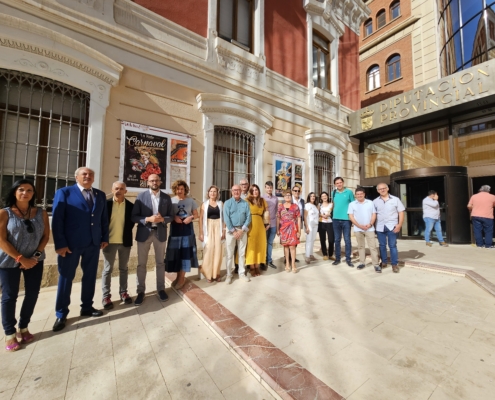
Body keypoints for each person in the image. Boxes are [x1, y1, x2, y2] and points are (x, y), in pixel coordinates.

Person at [52, 167, 109, 332]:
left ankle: (87, 307)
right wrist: (60, 244)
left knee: (90, 277)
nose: (88, 176)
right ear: (76, 177)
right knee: (66, 278)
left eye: (91, 174)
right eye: (84, 174)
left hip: (93, 243)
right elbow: (57, 220)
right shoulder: (65, 193)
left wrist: (104, 237)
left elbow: (103, 219)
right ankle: (61, 313)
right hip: (70, 245)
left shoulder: (100, 195)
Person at [0, 180, 49, 351]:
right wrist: (21, 259)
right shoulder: (4, 213)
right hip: (9, 261)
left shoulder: (40, 212)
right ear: (14, 192)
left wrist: (34, 257)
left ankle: (24, 327)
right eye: (21, 190)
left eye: (29, 190)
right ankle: (9, 333)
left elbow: (45, 236)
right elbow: (1, 240)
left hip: (35, 260)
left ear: (33, 194)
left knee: (32, 293)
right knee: (9, 296)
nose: (25, 193)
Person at [132, 174, 173, 306]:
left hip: (160, 233)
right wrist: (147, 219)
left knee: (160, 263)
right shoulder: (141, 197)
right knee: (141, 264)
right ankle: (140, 291)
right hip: (144, 233)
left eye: (156, 180)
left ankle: (161, 289)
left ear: (160, 182)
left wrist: (163, 219)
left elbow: (171, 216)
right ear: (147, 182)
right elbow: (134, 216)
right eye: (151, 180)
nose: (154, 182)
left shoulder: (166, 197)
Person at [101, 181, 135, 310]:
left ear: (125, 191)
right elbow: (101, 223)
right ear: (112, 189)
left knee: (124, 268)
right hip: (108, 242)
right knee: (107, 269)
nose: (118, 191)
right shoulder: (106, 204)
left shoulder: (131, 206)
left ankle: (123, 292)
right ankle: (106, 296)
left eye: (121, 189)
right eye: (116, 188)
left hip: (125, 242)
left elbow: (131, 223)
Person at [165, 180, 199, 289]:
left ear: (185, 190)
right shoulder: (171, 201)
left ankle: (181, 278)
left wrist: (190, 217)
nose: (180, 191)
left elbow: (196, 214)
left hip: (187, 230)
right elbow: (168, 214)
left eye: (182, 189)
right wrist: (174, 217)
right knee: (176, 254)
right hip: (175, 230)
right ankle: (178, 276)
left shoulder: (191, 201)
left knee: (185, 253)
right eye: (178, 189)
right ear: (175, 190)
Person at [373, 183, 405, 273]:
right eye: (380, 189)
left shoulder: (395, 200)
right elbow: (373, 214)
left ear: (387, 189)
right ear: (377, 191)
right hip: (380, 227)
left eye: (384, 188)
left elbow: (401, 212)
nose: (382, 190)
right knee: (382, 246)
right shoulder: (375, 201)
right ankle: (384, 262)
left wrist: (399, 225)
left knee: (392, 246)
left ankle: (394, 264)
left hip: (392, 226)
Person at [223, 185, 252, 284]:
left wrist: (241, 230)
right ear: (231, 191)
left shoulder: (245, 203)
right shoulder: (227, 203)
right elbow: (226, 218)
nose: (236, 192)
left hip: (242, 230)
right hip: (231, 231)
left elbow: (248, 217)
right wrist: (234, 231)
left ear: (241, 191)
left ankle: (242, 273)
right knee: (229, 254)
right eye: (234, 190)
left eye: (238, 190)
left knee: (242, 253)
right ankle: (228, 275)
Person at [348, 187, 380, 272]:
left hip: (370, 228)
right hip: (358, 229)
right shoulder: (352, 204)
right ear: (355, 195)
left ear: (364, 194)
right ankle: (362, 262)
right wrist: (359, 225)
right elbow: (351, 216)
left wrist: (370, 224)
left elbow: (374, 214)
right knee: (361, 246)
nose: (359, 195)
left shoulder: (370, 203)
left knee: (372, 247)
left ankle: (376, 264)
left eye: (361, 194)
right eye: (357, 194)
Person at [199, 185, 224, 282]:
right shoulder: (204, 204)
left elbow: (224, 218)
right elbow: (200, 219)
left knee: (218, 250)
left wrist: (224, 230)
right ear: (208, 193)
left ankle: (216, 273)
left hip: (218, 227)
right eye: (211, 191)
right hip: (208, 227)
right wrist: (201, 232)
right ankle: (208, 273)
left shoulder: (221, 203)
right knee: (209, 250)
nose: (212, 193)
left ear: (217, 193)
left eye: (214, 191)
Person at [245, 184, 268, 277]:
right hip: (250, 224)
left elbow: (266, 212)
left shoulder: (262, 200)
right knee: (251, 245)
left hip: (260, 224)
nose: (255, 191)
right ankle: (251, 267)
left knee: (260, 245)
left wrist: (267, 223)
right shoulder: (247, 201)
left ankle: (257, 265)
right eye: (253, 190)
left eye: (256, 190)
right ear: (250, 192)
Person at [332, 177, 355, 267]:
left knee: (347, 240)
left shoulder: (349, 192)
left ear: (343, 183)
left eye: (340, 182)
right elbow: (333, 205)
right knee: (337, 240)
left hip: (346, 220)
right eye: (337, 183)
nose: (339, 184)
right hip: (335, 219)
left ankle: (348, 259)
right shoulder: (333, 193)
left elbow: (353, 205)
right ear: (335, 184)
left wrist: (352, 219)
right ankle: (337, 258)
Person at [277, 189, 301, 273]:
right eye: (286, 195)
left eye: (289, 195)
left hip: (293, 228)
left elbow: (298, 219)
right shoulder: (280, 206)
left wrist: (299, 231)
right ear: (283, 196)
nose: (288, 196)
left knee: (292, 246)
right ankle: (287, 263)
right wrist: (277, 229)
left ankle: (293, 264)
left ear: (291, 196)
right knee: (286, 246)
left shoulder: (295, 206)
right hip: (283, 229)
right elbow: (278, 218)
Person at [262, 181, 278, 269]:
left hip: (273, 223)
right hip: (265, 224)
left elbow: (276, 210)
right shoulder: (262, 198)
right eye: (267, 187)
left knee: (270, 243)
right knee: (264, 242)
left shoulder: (275, 198)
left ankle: (269, 260)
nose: (269, 189)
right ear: (265, 188)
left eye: (271, 187)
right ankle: (263, 260)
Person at [318, 191, 334, 261]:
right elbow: (317, 213)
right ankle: (324, 254)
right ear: (321, 198)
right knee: (322, 239)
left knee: (331, 239)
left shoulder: (331, 204)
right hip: (321, 223)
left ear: (327, 196)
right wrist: (321, 215)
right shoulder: (319, 205)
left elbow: (333, 213)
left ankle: (330, 254)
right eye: (322, 196)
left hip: (330, 223)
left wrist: (329, 215)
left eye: (325, 196)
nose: (324, 197)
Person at [304, 192, 319, 263]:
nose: (313, 197)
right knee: (309, 240)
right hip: (309, 225)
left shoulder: (315, 206)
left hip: (315, 225)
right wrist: (306, 226)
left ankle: (311, 254)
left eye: (314, 196)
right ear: (309, 197)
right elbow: (305, 216)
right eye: (311, 196)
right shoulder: (307, 205)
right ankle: (307, 256)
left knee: (312, 240)